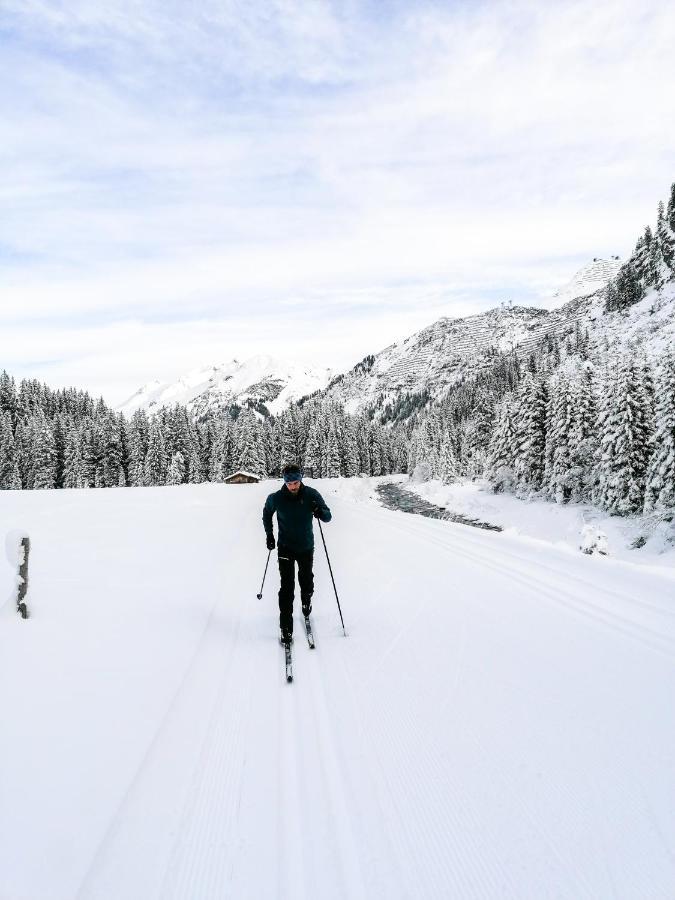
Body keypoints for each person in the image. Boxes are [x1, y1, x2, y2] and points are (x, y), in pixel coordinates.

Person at [262, 463, 332, 645]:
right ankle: (286, 627)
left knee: (306, 581)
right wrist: (269, 534)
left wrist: (319, 511)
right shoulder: (276, 498)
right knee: (287, 588)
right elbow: (266, 513)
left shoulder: (311, 494)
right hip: (285, 547)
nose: (293, 486)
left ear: (300, 479)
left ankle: (306, 600)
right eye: (289, 483)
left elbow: (328, 516)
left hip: (306, 547)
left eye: (296, 482)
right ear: (284, 481)